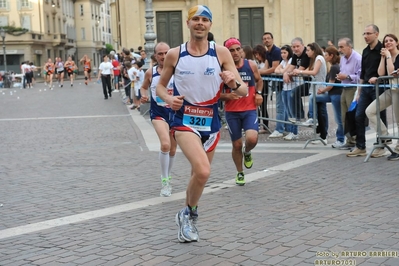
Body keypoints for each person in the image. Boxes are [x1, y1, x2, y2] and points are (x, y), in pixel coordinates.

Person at [156, 5, 248, 243]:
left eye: (204, 19)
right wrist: (168, 99)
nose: (200, 23)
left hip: (212, 123)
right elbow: (160, 86)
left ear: (210, 25)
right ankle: (190, 217)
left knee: (197, 174)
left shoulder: (221, 53)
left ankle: (185, 214)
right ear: (187, 23)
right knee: (204, 171)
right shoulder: (175, 54)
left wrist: (233, 82)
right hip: (184, 120)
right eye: (195, 19)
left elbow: (243, 90)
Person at [220, 37, 263, 185]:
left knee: (252, 139)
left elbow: (259, 80)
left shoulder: (250, 65)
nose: (236, 52)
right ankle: (239, 172)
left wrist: (258, 93)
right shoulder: (222, 70)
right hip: (232, 112)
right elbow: (215, 94)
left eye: (238, 49)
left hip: (249, 109)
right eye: (231, 50)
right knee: (236, 145)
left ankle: (248, 152)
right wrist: (227, 96)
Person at [140, 42, 177, 197]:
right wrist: (143, 94)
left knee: (173, 149)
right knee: (165, 145)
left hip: (175, 114)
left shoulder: (178, 71)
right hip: (158, 113)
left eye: (166, 53)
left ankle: (168, 176)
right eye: (160, 54)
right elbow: (143, 86)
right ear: (155, 56)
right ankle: (164, 181)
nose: (163, 56)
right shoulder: (151, 72)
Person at [347, 24, 387, 157]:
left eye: (368, 33)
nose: (366, 36)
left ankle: (381, 145)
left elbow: (388, 70)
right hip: (366, 88)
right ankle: (361, 146)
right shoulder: (365, 51)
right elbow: (363, 73)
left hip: (379, 88)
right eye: (364, 34)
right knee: (359, 115)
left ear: (376, 34)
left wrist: (379, 78)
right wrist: (359, 92)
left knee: (379, 116)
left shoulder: (383, 50)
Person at [366, 33, 399, 159]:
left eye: (391, 40)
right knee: (370, 111)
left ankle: (398, 149)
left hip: (398, 90)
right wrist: (383, 58)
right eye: (386, 41)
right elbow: (381, 73)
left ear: (396, 42)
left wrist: (389, 56)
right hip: (391, 90)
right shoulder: (386, 56)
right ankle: (385, 136)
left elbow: (391, 72)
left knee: (398, 121)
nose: (388, 43)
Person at [294, 42, 327, 142]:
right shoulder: (313, 60)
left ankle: (323, 135)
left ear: (314, 50)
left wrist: (299, 71)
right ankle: (320, 135)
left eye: (308, 50)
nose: (306, 52)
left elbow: (314, 72)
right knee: (319, 111)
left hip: (320, 88)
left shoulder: (319, 58)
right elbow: (308, 71)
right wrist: (295, 73)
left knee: (321, 112)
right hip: (314, 87)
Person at [315, 46, 345, 147]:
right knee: (313, 98)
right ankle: (312, 116)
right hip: (333, 94)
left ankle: (341, 139)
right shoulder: (333, 66)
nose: (324, 56)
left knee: (338, 118)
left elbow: (331, 85)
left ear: (331, 56)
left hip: (336, 95)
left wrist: (322, 90)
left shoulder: (334, 67)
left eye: (326, 55)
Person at [336, 37, 362, 150]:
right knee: (343, 117)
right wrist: (340, 76)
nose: (339, 49)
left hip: (353, 89)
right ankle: (349, 140)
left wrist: (346, 76)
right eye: (339, 47)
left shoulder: (357, 58)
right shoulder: (342, 59)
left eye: (342, 47)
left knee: (351, 116)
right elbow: (343, 70)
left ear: (349, 47)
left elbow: (361, 77)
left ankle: (356, 141)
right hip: (344, 88)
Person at [284, 37, 311, 123]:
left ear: (303, 45)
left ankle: (303, 117)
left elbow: (298, 70)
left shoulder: (306, 54)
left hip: (314, 82)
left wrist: (288, 74)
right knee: (294, 93)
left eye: (297, 46)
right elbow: (291, 68)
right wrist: (286, 73)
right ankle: (299, 117)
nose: (295, 49)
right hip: (307, 81)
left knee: (295, 93)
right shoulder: (295, 55)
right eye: (293, 47)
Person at [274, 45, 298, 140]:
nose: (283, 55)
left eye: (285, 53)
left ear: (289, 53)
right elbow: (276, 70)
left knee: (292, 112)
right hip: (285, 88)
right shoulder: (283, 61)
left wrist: (282, 71)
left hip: (292, 88)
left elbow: (284, 70)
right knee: (288, 111)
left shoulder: (292, 60)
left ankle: (294, 131)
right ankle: (291, 130)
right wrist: (282, 71)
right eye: (281, 53)